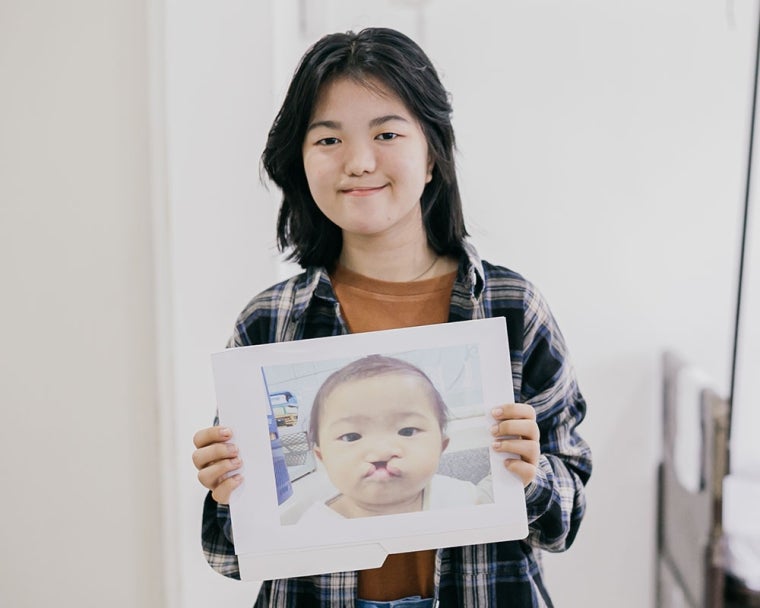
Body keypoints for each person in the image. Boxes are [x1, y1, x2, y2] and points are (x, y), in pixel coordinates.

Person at [191, 26, 592, 608]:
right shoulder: (268, 323)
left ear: (432, 155)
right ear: (300, 161)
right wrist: (228, 491)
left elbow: (568, 519)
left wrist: (533, 476)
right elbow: (230, 557)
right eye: (327, 140)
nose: (358, 161)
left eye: (386, 133)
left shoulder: (510, 307)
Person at [301, 354, 488, 521]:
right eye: (351, 437)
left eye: (407, 431)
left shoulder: (464, 499)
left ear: (441, 446)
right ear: (322, 457)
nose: (381, 452)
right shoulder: (314, 528)